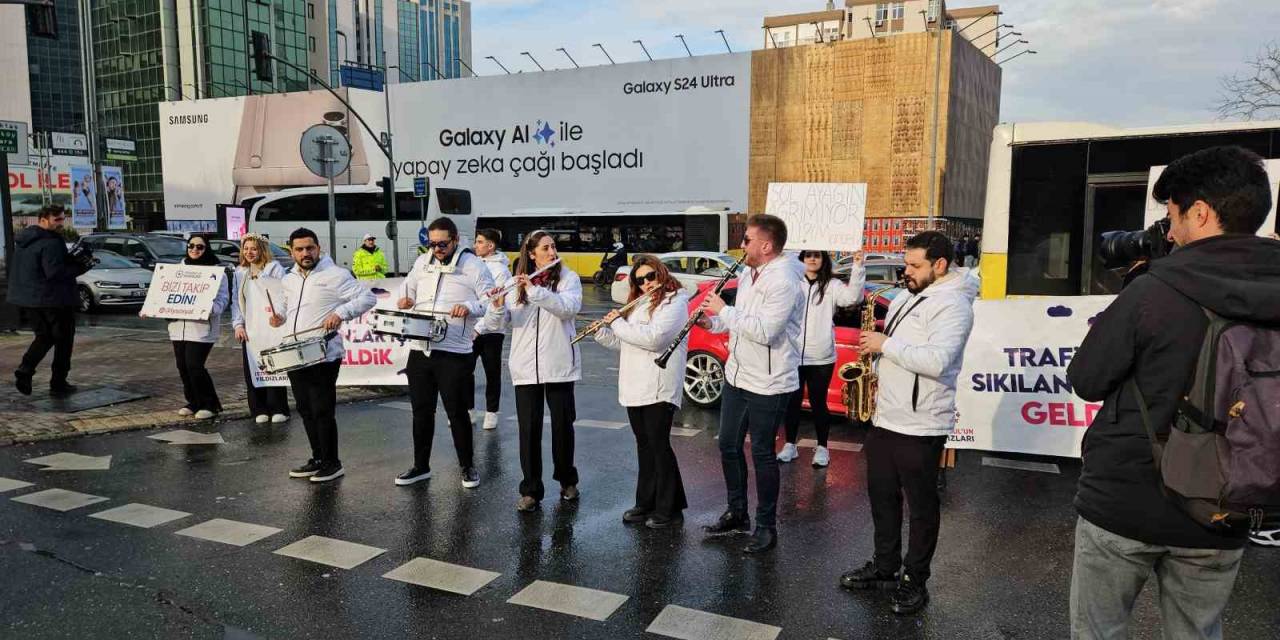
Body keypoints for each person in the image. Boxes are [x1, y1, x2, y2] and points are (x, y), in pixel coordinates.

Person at [1065, 146, 1280, 640]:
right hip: (1231, 502)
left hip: (1128, 499)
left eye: (1172, 214)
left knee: (1099, 631)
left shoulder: (1156, 288)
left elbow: (1087, 379)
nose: (1170, 227)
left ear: (1200, 212)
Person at [842, 230, 976, 615]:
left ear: (940, 265)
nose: (906, 272)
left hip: (921, 422)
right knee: (881, 496)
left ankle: (914, 580)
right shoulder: (908, 293)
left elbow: (938, 361)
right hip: (887, 415)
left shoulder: (954, 305)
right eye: (906, 264)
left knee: (921, 506)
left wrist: (886, 346)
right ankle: (885, 566)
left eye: (915, 266)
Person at [696, 213, 805, 554]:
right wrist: (713, 322)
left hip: (769, 380)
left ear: (766, 245)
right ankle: (737, 512)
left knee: (762, 453)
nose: (741, 246)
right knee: (728, 444)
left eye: (747, 240)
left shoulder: (784, 280)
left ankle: (766, 526)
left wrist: (724, 311)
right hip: (738, 374)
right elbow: (740, 326)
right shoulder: (748, 274)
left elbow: (766, 331)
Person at [485, 230, 582, 512]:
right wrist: (496, 304)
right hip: (525, 367)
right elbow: (499, 324)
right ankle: (530, 490)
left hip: (559, 365)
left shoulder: (567, 278)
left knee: (563, 427)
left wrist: (535, 290)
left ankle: (567, 480)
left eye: (553, 247)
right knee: (528, 430)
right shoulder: (514, 283)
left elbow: (568, 309)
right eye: (545, 248)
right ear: (531, 253)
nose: (552, 252)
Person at [269, 228, 376, 483]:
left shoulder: (336, 275)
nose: (305, 253)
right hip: (295, 353)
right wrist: (280, 316)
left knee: (321, 409)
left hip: (323, 353)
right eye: (299, 249)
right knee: (305, 409)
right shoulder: (289, 278)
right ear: (291, 251)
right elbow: (287, 306)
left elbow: (367, 297)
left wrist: (341, 313)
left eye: (310, 248)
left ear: (318, 248)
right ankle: (317, 458)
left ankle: (332, 462)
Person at [394, 217, 494, 489]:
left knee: (457, 412)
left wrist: (469, 307)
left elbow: (490, 301)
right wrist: (406, 299)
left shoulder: (473, 265)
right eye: (432, 243)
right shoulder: (422, 261)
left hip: (454, 350)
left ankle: (467, 466)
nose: (437, 248)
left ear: (455, 240)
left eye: (442, 243)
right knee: (421, 411)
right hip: (421, 348)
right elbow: (409, 288)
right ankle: (420, 466)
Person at [594, 255, 690, 529]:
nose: (647, 283)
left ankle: (670, 508)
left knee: (659, 446)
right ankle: (646, 501)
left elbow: (654, 339)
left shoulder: (675, 302)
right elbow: (626, 342)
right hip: (635, 383)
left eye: (651, 276)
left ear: (662, 274)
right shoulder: (638, 305)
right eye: (640, 280)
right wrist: (603, 332)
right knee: (644, 445)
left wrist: (618, 324)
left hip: (659, 384)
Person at [777, 250, 864, 468]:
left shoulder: (832, 285)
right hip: (793, 354)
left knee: (818, 403)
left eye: (817, 256)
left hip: (821, 356)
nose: (813, 259)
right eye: (808, 256)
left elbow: (853, 298)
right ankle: (790, 445)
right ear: (802, 259)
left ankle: (823, 448)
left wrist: (858, 267)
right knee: (792, 403)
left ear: (824, 260)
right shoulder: (793, 283)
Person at [8, 205, 92, 395]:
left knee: (44, 336)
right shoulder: (51, 241)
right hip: (54, 299)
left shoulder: (25, 240)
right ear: (44, 219)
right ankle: (57, 383)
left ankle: (26, 370)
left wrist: (69, 259)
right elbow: (55, 272)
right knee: (64, 340)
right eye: (57, 220)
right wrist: (82, 267)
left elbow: (42, 267)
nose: (61, 224)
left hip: (30, 298)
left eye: (62, 219)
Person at [160, 234, 230, 420]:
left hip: (201, 329)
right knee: (182, 366)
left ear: (207, 249)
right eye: (191, 246)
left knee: (194, 365)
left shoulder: (216, 273)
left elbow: (223, 301)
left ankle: (210, 404)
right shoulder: (176, 270)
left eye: (200, 247)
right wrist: (154, 307)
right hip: (178, 327)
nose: (194, 250)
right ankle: (193, 401)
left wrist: (205, 308)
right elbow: (163, 293)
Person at [231, 233, 290, 424]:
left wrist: (279, 316)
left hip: (272, 328)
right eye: (246, 248)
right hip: (251, 329)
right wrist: (238, 324)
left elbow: (283, 296)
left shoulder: (275, 269)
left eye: (253, 248)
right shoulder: (240, 273)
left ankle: (279, 407)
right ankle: (258, 408)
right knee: (253, 369)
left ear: (262, 250)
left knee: (274, 366)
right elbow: (236, 302)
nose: (249, 252)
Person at [470, 228, 511, 430]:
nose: (475, 245)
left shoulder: (501, 271)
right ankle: (468, 410)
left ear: (490, 246)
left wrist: (479, 328)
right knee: (465, 369)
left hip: (492, 329)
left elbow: (494, 301)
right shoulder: (474, 265)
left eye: (479, 242)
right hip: (471, 327)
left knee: (491, 372)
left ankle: (491, 412)